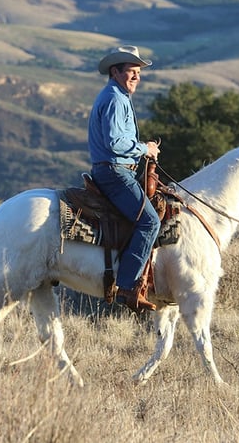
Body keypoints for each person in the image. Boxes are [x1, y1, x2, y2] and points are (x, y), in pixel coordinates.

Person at [88, 45, 160, 312]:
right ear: (115, 72)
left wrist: (143, 148)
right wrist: (145, 149)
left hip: (113, 170)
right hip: (115, 173)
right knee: (149, 221)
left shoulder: (116, 96)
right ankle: (127, 287)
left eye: (138, 72)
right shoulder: (116, 99)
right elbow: (116, 142)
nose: (136, 77)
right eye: (131, 71)